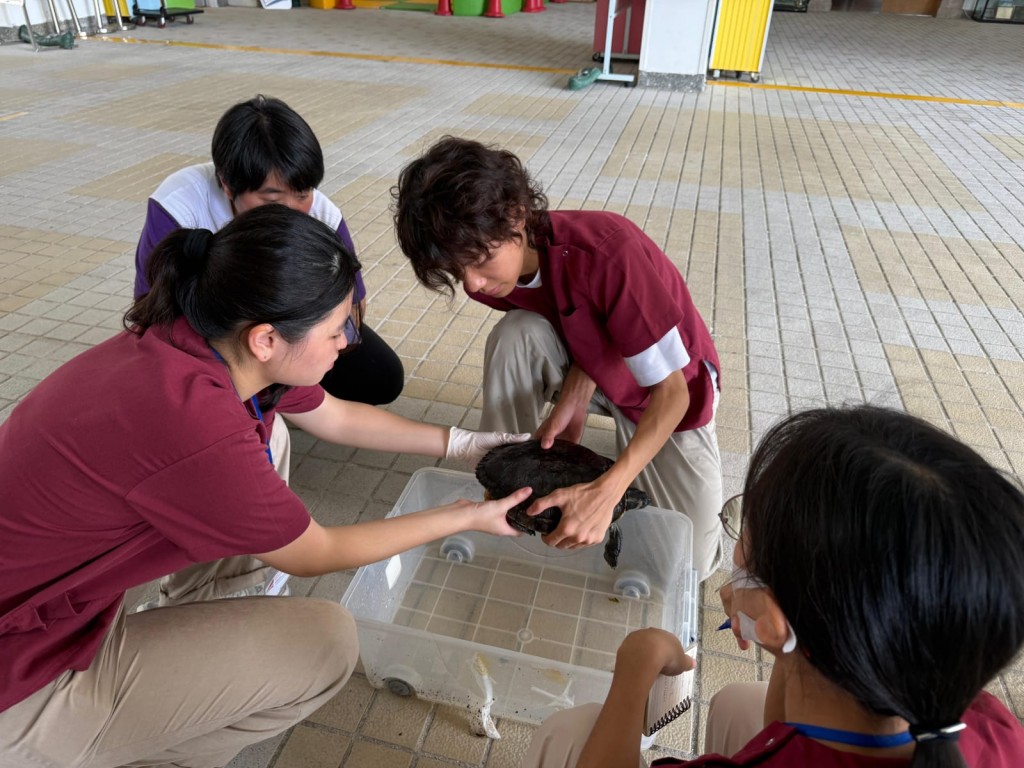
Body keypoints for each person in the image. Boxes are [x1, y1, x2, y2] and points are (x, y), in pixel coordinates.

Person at [0, 205, 532, 768]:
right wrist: (466, 515)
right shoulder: (197, 425)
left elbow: (337, 417)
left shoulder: (192, 336)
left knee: (269, 439)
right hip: (21, 678)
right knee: (325, 642)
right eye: (337, 329)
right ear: (266, 339)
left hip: (44, 607)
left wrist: (459, 443)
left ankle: (190, 654)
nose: (350, 342)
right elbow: (316, 552)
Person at [523, 405, 1024, 768]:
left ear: (776, 620)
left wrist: (639, 659)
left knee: (569, 733)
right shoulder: (991, 724)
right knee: (737, 700)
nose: (736, 548)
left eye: (745, 533)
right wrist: (782, 641)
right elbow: (788, 712)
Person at [392, 136, 724, 579]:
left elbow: (673, 393)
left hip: (670, 393)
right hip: (602, 368)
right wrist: (577, 383)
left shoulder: (608, 252)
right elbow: (574, 319)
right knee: (516, 334)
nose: (472, 284)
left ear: (516, 214)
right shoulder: (495, 279)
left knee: (692, 564)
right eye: (456, 271)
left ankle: (623, 472)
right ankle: (506, 477)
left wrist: (607, 490)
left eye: (478, 260)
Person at [135, 93, 404, 406]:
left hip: (293, 333)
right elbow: (154, 313)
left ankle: (282, 396)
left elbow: (353, 308)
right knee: (196, 392)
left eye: (302, 194)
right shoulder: (179, 205)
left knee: (381, 377)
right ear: (226, 183)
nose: (290, 211)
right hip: (215, 334)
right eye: (272, 200)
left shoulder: (324, 214)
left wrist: (305, 354)